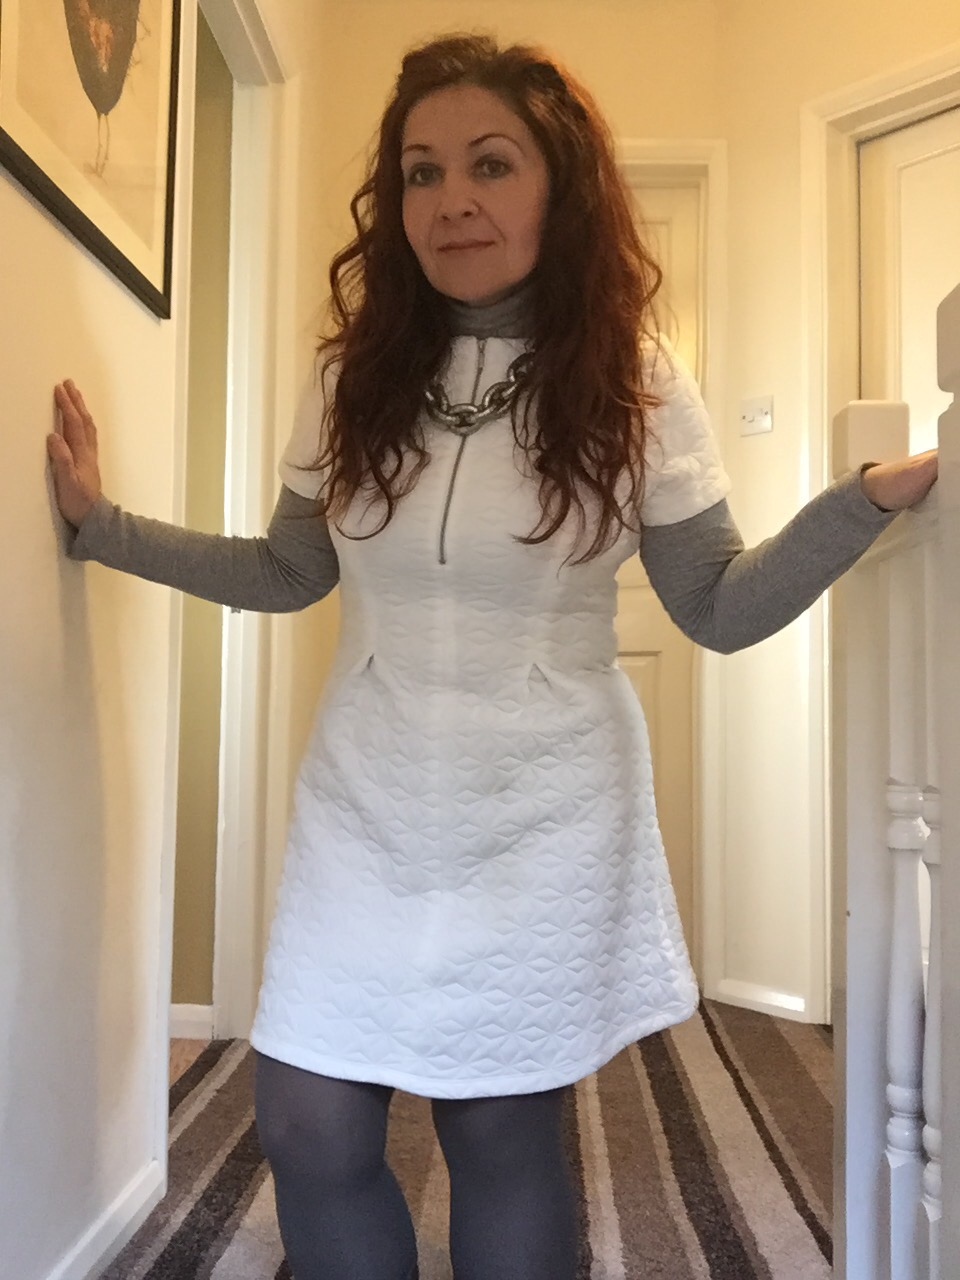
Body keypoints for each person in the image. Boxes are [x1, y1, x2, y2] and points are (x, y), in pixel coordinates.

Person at [47, 33, 937, 1280]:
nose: (451, 198)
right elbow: (289, 570)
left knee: (497, 1128)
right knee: (308, 1120)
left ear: (559, 187)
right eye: (421, 171)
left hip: (542, 806)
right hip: (365, 801)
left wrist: (862, 502)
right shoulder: (348, 378)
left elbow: (717, 605)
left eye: (490, 163)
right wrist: (102, 528)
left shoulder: (639, 383)